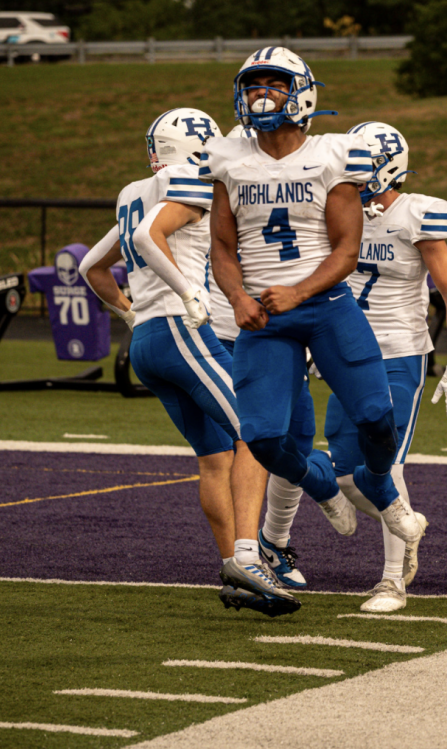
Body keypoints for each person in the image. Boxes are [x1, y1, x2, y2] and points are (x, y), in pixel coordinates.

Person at [201, 48, 427, 562]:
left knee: (374, 416)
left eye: (273, 83)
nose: (261, 92)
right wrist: (236, 296)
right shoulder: (227, 159)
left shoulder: (335, 153)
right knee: (261, 438)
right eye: (253, 83)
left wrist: (299, 291)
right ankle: (321, 485)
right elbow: (222, 246)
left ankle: (385, 497)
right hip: (264, 315)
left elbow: (347, 249)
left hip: (325, 306)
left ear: (301, 93)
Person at [80, 109, 299, 617]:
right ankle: (250, 555)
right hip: (182, 329)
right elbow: (145, 240)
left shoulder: (132, 191)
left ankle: (233, 569)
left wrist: (131, 318)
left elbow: (92, 267)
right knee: (259, 432)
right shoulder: (190, 179)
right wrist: (188, 294)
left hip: (149, 344)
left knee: (214, 456)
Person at [319, 121, 447, 612]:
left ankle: (391, 581)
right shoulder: (342, 212)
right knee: (345, 476)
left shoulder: (415, 213)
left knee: (385, 467)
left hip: (399, 351)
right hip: (348, 351)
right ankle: (406, 523)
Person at [210, 124, 314, 592]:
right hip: (240, 334)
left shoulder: (297, 181)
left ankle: (270, 542)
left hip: (281, 332)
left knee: (297, 442)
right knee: (250, 441)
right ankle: (244, 553)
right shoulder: (220, 184)